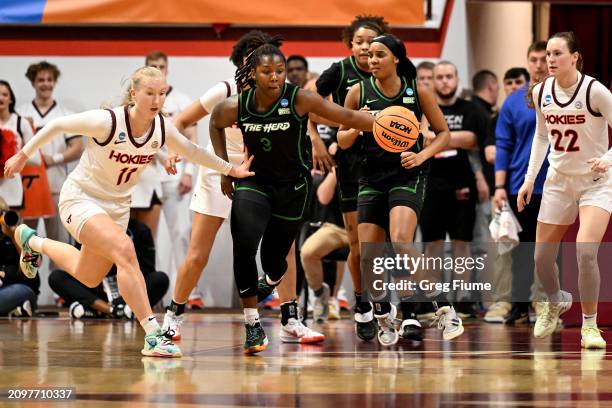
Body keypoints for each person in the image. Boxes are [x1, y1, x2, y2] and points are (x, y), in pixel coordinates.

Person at [4, 66, 254, 358]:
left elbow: (191, 150)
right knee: (125, 250)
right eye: (150, 93)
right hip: (81, 198)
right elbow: (57, 126)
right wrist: (23, 155)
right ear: (134, 94)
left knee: (89, 275)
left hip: (117, 207)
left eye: (162, 93)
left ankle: (31, 241)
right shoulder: (107, 121)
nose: (157, 100)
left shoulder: (161, 127)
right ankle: (152, 334)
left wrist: (230, 168)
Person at [208, 43, 375, 354]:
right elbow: (215, 123)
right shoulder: (235, 105)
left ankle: (270, 280)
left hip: (293, 190)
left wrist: (385, 123)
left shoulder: (299, 98)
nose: (275, 77)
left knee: (275, 260)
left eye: (280, 71)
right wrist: (224, 169)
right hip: (254, 183)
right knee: (244, 243)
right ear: (252, 74)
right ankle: (252, 324)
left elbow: (346, 116)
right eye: (267, 72)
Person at [163, 31, 323, 345]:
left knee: (284, 248)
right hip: (219, 171)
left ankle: (290, 318)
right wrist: (173, 149)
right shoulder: (224, 91)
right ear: (246, 64)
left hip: (263, 176)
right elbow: (181, 121)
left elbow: (313, 115)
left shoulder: (285, 93)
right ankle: (173, 316)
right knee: (198, 252)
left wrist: (316, 136)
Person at [338, 34, 459, 345]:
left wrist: (421, 154)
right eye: (369, 56)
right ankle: (381, 314)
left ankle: (443, 307)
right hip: (370, 177)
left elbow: (444, 134)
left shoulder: (417, 91)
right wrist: (359, 123)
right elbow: (342, 140)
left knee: (402, 241)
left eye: (380, 55)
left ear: (396, 59)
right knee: (369, 256)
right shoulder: (356, 92)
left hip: (407, 174)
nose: (372, 60)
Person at [517, 31, 612, 349]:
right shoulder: (542, 91)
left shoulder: (594, 91)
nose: (550, 60)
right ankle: (555, 300)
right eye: (547, 55)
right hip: (558, 182)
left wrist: (607, 158)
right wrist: (530, 179)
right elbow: (541, 137)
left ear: (575, 57)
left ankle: (589, 326)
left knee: (585, 252)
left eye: (557, 54)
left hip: (595, 184)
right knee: (541, 258)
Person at [313, 15, 390, 341]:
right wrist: (315, 137)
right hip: (350, 164)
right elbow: (305, 101)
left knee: (383, 243)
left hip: (387, 163)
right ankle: (362, 303)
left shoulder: (394, 72)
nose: (363, 47)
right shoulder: (339, 72)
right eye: (358, 41)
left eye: (369, 42)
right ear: (351, 43)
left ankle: (388, 304)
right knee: (358, 244)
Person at [419, 61, 488, 319]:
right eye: (440, 77)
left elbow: (472, 139)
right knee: (433, 245)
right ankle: (435, 302)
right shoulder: (424, 108)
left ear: (457, 78)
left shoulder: (471, 109)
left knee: (462, 244)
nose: (445, 81)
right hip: (430, 184)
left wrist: (438, 136)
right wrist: (452, 136)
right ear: (433, 81)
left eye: (449, 76)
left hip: (462, 185)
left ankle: (463, 300)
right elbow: (419, 137)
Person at [494, 41, 549, 324]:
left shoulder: (566, 96)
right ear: (528, 62)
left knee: (552, 250)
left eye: (545, 58)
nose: (540, 64)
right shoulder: (515, 101)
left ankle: (550, 305)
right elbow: (503, 144)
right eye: (534, 59)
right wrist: (500, 186)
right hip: (521, 185)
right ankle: (518, 305)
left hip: (556, 185)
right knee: (522, 249)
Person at [18, 62, 84, 248]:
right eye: (40, 80)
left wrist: (52, 160)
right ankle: (26, 279)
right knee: (25, 243)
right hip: (27, 187)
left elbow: (77, 147)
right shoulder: (21, 114)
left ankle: (59, 278)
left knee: (60, 243)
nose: (45, 84)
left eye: (49, 80)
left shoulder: (66, 114)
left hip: (57, 186)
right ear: (33, 83)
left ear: (54, 82)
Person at [49, 218, 169, 319]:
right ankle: (112, 310)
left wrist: (124, 271)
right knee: (56, 277)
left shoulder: (140, 229)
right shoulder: (89, 227)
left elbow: (148, 269)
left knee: (161, 279)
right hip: (98, 286)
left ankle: (97, 310)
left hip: (130, 288)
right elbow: (80, 265)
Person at [0, 80, 39, 209]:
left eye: (5, 94)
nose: (1, 98)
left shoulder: (21, 123)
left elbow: (36, 158)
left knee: (12, 228)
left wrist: (13, 158)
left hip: (12, 187)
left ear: (11, 99)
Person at [0, 197, 39, 317]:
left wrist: (14, 236)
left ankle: (17, 307)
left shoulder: (23, 233)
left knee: (22, 290)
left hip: (19, 288)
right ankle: (17, 308)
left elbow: (34, 264)